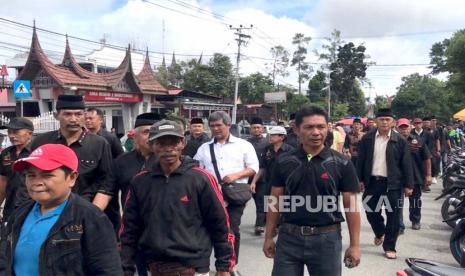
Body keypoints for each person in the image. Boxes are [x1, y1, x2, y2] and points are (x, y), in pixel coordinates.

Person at [120, 120, 234, 276]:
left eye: (173, 143)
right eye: (161, 143)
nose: (168, 149)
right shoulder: (140, 181)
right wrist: (126, 266)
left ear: (183, 143)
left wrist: (223, 266)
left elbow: (220, 224)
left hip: (194, 267)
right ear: (152, 145)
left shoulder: (201, 179)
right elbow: (129, 228)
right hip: (153, 265)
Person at [263, 106, 361, 276]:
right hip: (288, 239)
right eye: (309, 127)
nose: (316, 132)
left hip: (327, 240)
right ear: (296, 129)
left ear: (327, 127)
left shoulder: (342, 163)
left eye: (321, 127)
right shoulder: (284, 162)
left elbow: (351, 206)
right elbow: (275, 200)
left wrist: (355, 245)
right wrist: (269, 237)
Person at [0, 144, 122, 275]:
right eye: (31, 175)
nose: (37, 182)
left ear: (71, 178)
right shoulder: (19, 214)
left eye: (47, 175)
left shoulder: (90, 218)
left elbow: (108, 270)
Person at [194, 111, 259, 271]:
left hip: (235, 195)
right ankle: (205, 266)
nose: (215, 129)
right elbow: (196, 167)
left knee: (231, 230)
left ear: (228, 125)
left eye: (219, 125)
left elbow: (253, 167)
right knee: (209, 229)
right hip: (211, 196)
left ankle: (230, 266)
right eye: (212, 126)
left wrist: (236, 175)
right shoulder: (204, 148)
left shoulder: (244, 145)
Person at [30, 95, 114, 211]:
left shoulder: (99, 144)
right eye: (67, 114)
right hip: (47, 207)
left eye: (78, 114)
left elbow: (106, 182)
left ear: (84, 116)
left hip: (86, 207)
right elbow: (31, 175)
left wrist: (93, 212)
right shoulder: (42, 142)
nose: (73, 119)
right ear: (56, 116)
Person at [357, 108, 413, 259]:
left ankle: (389, 246)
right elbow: (360, 160)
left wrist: (409, 185)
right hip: (372, 182)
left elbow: (407, 164)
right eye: (381, 119)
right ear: (376, 121)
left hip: (393, 184)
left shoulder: (400, 140)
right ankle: (380, 231)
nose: (384, 122)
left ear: (393, 122)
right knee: (370, 210)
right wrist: (360, 179)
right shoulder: (367, 139)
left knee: (393, 216)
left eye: (387, 119)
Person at [250, 126, 293, 235]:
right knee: (264, 203)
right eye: (270, 134)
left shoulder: (290, 150)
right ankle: (261, 225)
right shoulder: (267, 149)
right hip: (268, 181)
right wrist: (254, 181)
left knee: (283, 205)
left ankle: (280, 226)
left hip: (285, 183)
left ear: (282, 137)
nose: (270, 137)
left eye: (273, 135)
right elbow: (262, 167)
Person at [397, 118, 432, 232]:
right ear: (397, 129)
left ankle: (415, 220)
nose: (404, 130)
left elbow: (427, 158)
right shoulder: (393, 141)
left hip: (415, 176)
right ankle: (399, 225)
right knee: (397, 203)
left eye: (406, 127)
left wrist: (428, 175)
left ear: (410, 127)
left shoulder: (418, 141)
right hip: (398, 177)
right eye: (401, 128)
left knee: (415, 201)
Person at [0, 118, 34, 223]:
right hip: (10, 208)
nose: (11, 136)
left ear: (29, 133)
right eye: (9, 132)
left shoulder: (37, 151)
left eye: (16, 132)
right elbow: (3, 181)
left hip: (32, 206)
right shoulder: (6, 153)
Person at [247, 117, 270, 235]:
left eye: (258, 127)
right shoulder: (245, 143)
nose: (256, 129)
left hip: (262, 176)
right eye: (254, 127)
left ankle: (259, 225)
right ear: (250, 129)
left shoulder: (267, 143)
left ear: (262, 129)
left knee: (261, 201)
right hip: (246, 176)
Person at [411, 118, 435, 192]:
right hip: (415, 154)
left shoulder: (428, 134)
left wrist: (428, 154)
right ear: (413, 124)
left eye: (419, 123)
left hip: (426, 153)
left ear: (422, 124)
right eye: (416, 123)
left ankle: (426, 185)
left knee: (427, 168)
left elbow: (431, 145)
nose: (418, 125)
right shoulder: (411, 133)